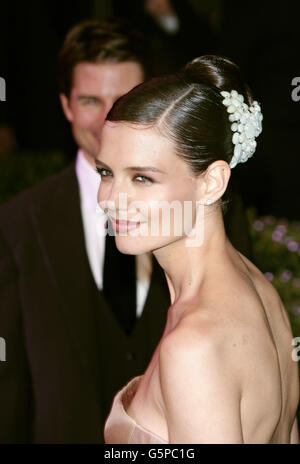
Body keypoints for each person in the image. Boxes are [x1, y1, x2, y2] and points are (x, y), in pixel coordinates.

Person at [101, 55, 300, 444]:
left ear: (211, 182)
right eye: (106, 172)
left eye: (142, 178)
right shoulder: (259, 290)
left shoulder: (194, 345)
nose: (111, 199)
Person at [0, 19, 171, 443]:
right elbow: (9, 388)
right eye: (92, 100)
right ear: (66, 105)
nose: (109, 119)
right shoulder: (19, 223)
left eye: (126, 99)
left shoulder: (204, 210)